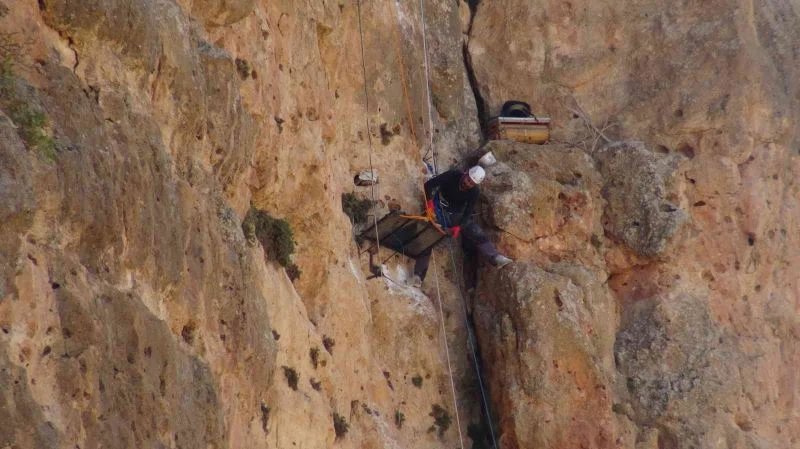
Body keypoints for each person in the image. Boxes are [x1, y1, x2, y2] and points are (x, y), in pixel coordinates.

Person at [408, 166, 513, 287]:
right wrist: (430, 202)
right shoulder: (453, 175)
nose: (467, 183)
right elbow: (429, 185)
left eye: (471, 183)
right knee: (428, 234)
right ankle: (418, 276)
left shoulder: (474, 192)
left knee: (474, 229)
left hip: (454, 214)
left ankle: (495, 257)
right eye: (468, 179)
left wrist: (458, 226)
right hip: (437, 206)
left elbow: (467, 213)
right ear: (466, 173)